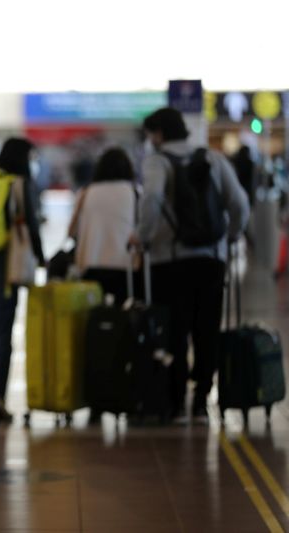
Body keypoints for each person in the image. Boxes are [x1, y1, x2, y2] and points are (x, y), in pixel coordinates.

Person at [133, 107, 249, 424]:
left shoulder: (157, 161)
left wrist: (142, 236)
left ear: (157, 134)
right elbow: (238, 203)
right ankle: (201, 401)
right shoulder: (212, 159)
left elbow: (152, 198)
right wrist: (232, 235)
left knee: (175, 331)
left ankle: (175, 402)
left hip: (169, 260)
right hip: (211, 258)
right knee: (207, 328)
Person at [0, 137, 45, 421]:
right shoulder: (20, 185)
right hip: (3, 267)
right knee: (4, 331)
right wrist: (41, 256)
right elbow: (33, 224)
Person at [68, 147, 139, 305]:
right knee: (123, 314)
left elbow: (71, 232)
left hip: (91, 264)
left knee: (93, 314)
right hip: (126, 265)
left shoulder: (86, 192)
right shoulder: (134, 192)